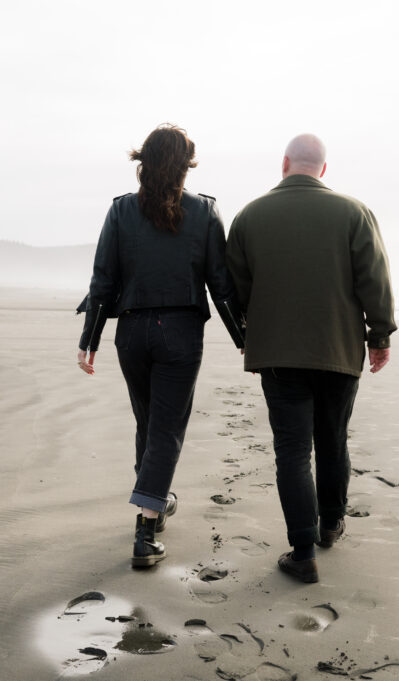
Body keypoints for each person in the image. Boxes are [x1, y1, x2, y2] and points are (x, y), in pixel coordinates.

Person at [225, 133, 395, 583]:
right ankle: (332, 523)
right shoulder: (354, 213)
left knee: (293, 451)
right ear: (323, 169)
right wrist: (379, 335)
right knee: (333, 438)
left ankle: (302, 552)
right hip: (339, 349)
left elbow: (235, 287)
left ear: (284, 164)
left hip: (279, 354)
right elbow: (373, 279)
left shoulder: (249, 216)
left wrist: (248, 332)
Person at [77, 124, 245, 569]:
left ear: (143, 163)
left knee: (149, 422)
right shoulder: (205, 213)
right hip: (180, 331)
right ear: (185, 166)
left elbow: (102, 280)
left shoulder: (119, 212)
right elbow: (221, 286)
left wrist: (89, 340)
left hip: (131, 333)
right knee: (166, 427)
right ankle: (146, 529)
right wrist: (245, 339)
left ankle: (156, 497)